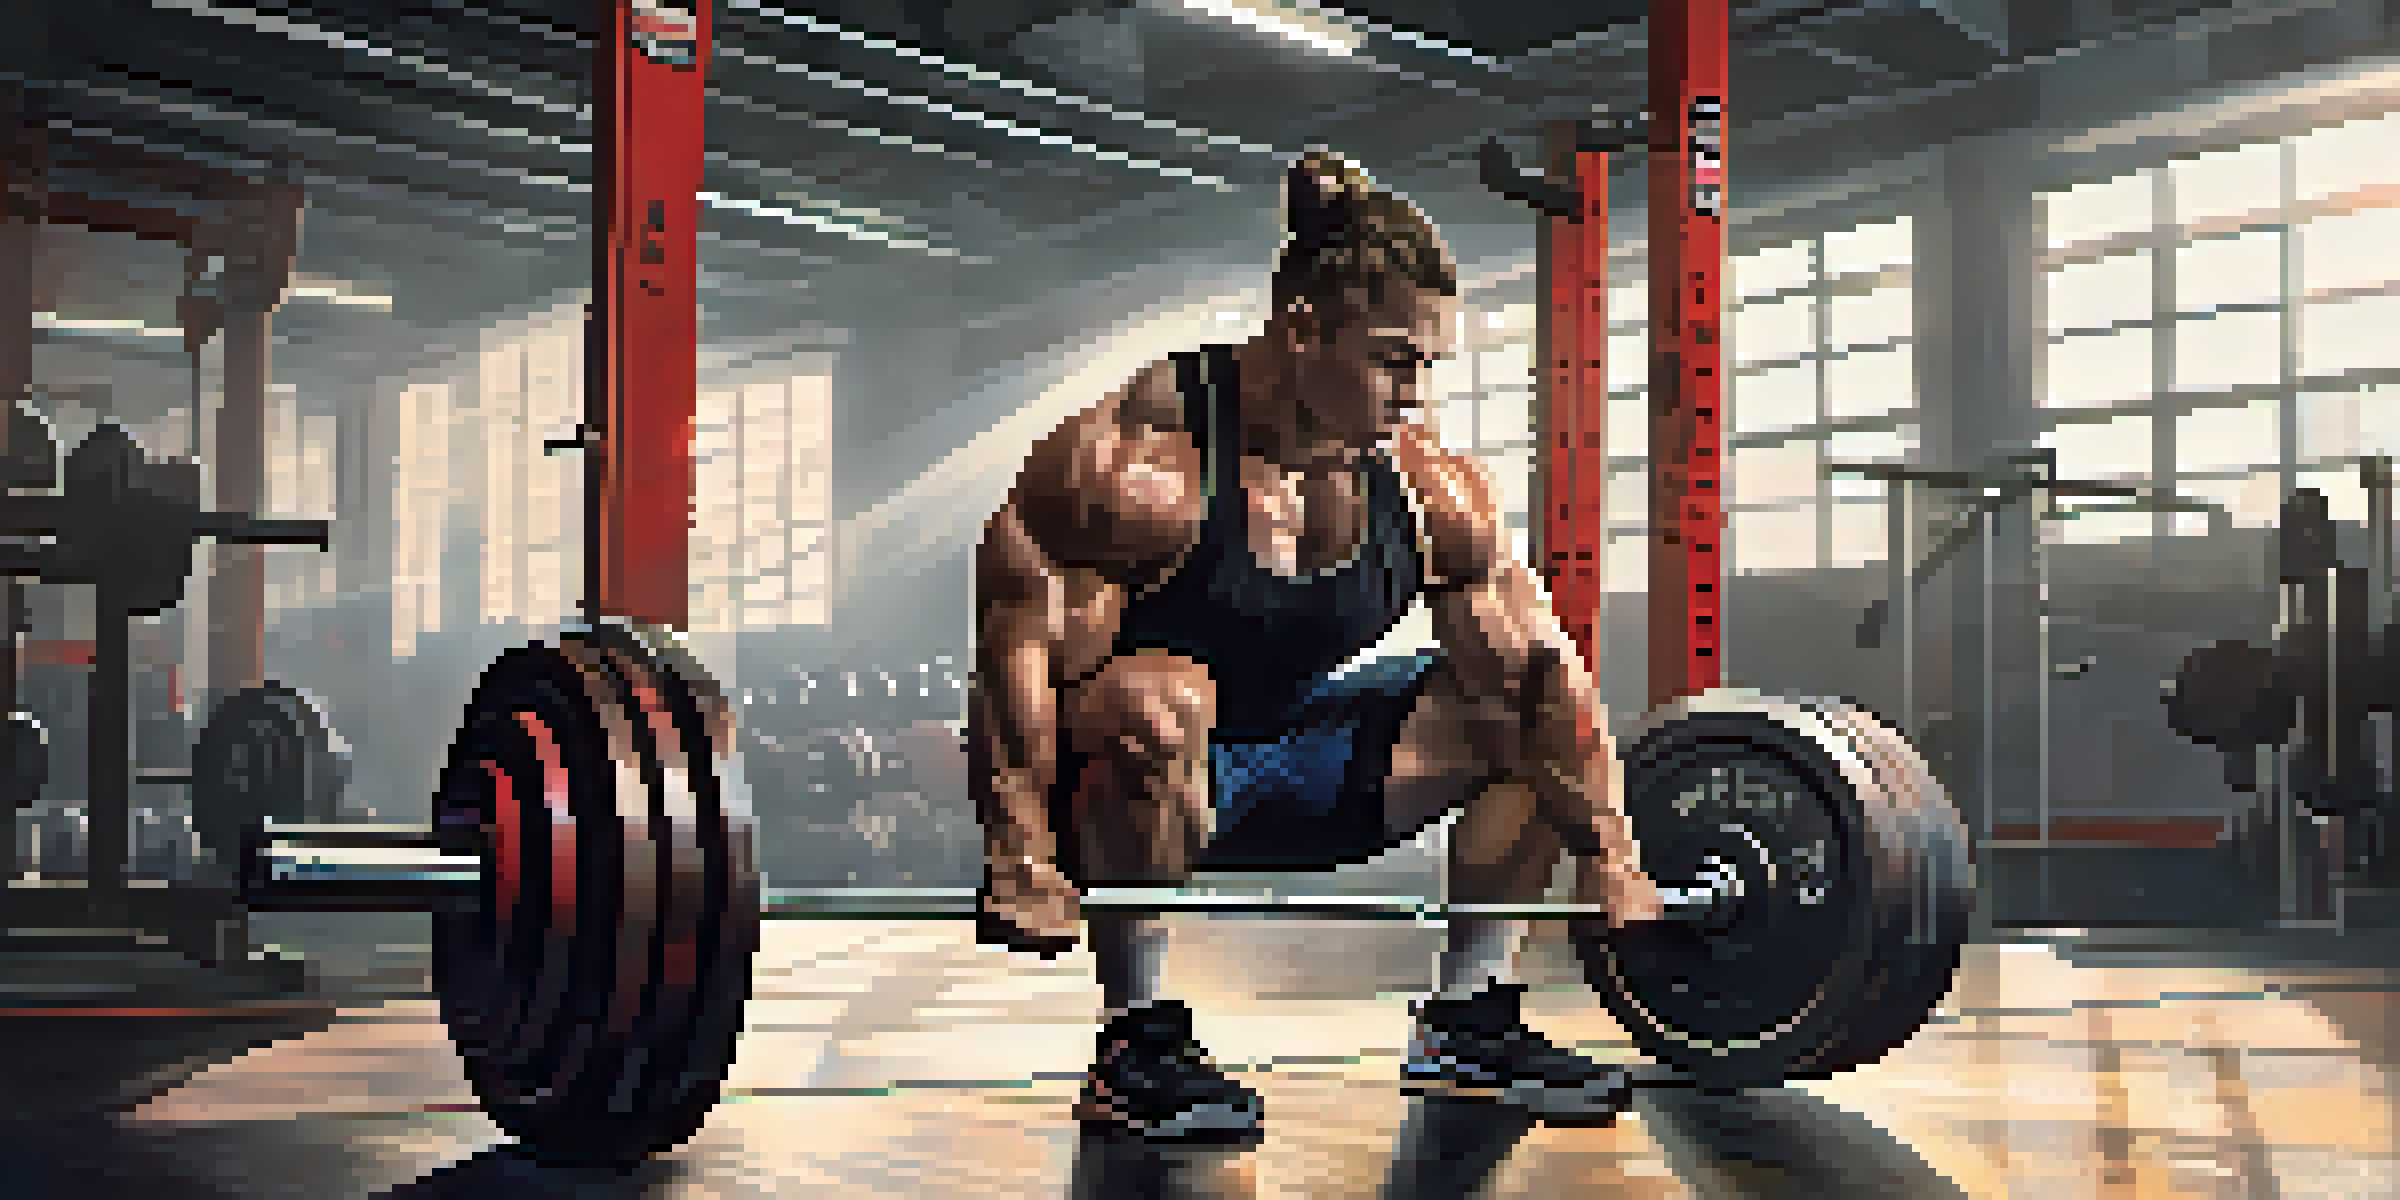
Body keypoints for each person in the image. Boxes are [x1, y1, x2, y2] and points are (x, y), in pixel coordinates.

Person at [969, 149, 1666, 1148]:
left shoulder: (1428, 490)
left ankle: (1467, 1022)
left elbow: (1543, 676)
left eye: (1426, 365)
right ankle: (1138, 1040)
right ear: (1303, 329)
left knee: (1508, 706)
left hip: (1310, 767)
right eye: (1393, 359)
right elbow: (1016, 659)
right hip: (1148, 785)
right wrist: (1021, 851)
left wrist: (1614, 856)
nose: (1412, 393)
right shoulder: (1141, 462)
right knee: (1159, 698)